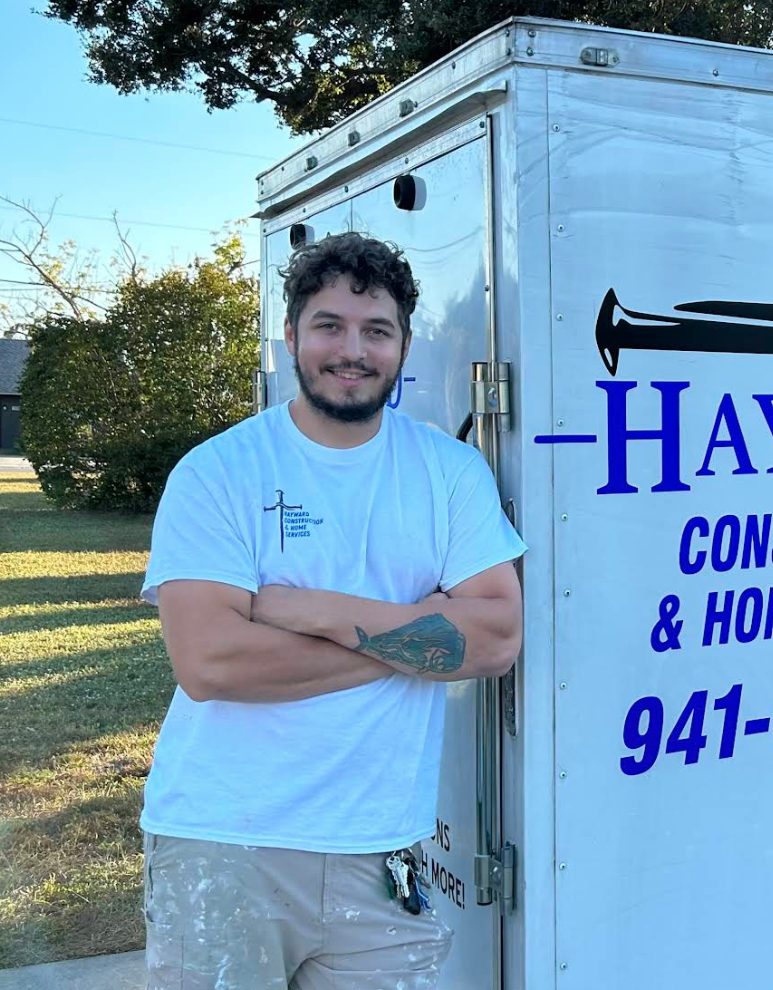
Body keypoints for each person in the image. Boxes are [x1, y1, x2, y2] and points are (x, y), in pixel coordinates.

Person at [138, 231, 526, 990]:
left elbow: (495, 638)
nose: (353, 350)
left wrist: (305, 609)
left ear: (404, 345)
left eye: (376, 330)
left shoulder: (449, 471)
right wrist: (412, 631)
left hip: (380, 852)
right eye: (329, 326)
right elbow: (211, 662)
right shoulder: (218, 471)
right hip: (223, 843)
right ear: (290, 337)